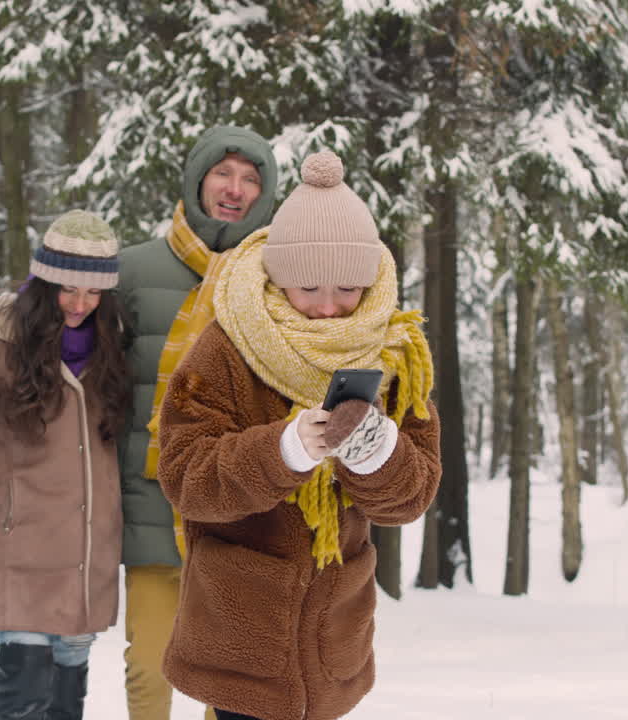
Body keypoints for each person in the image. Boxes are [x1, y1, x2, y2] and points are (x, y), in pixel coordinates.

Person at [154, 151, 443, 720]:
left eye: (348, 289)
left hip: (332, 635)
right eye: (308, 287)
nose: (329, 309)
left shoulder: (395, 353)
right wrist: (282, 451)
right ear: (280, 278)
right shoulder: (227, 347)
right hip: (241, 629)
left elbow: (412, 498)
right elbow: (186, 476)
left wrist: (376, 450)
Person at [0, 209, 132, 720]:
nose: (79, 305)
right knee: (24, 700)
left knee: (66, 707)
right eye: (67, 289)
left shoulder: (114, 346)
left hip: (85, 568)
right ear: (43, 282)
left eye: (93, 294)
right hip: (16, 561)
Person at [117, 125, 279, 720]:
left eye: (250, 179)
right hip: (153, 499)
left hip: (233, 500)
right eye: (222, 173)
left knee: (228, 677)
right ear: (197, 179)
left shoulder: (274, 280)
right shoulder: (133, 270)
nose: (234, 189)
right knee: (149, 665)